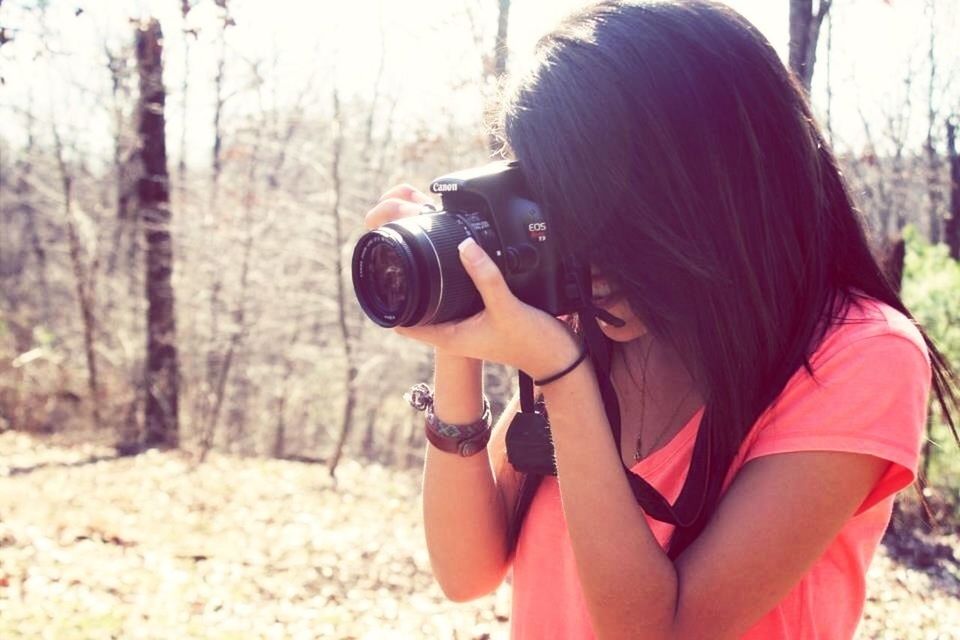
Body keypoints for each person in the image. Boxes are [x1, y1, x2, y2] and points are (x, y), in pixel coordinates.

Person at [362, 1, 958, 638]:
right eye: (561, 202)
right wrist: (455, 321)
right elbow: (466, 571)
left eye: (606, 211)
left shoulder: (859, 355)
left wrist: (563, 377)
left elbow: (661, 629)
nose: (587, 249)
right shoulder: (596, 330)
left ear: (711, 190)